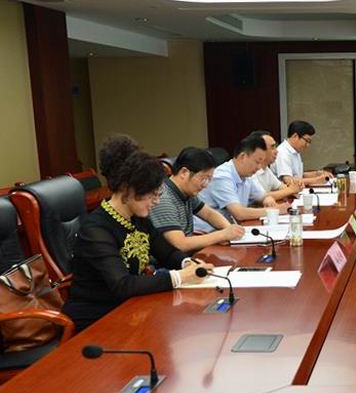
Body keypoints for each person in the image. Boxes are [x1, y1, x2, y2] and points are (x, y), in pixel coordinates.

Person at [62, 136, 212, 331]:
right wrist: (180, 277)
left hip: (132, 307)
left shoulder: (137, 217)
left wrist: (188, 263)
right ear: (128, 190)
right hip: (97, 319)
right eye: (152, 194)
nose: (156, 201)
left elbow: (166, 252)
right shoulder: (96, 230)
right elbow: (122, 284)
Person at [150, 146, 245, 253]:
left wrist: (230, 230)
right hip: (174, 259)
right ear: (184, 172)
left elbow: (209, 214)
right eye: (203, 178)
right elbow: (180, 244)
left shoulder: (186, 192)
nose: (205, 185)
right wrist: (222, 235)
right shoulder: (163, 198)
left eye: (209, 179)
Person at [195, 133, 287, 231]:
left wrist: (267, 199)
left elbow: (262, 196)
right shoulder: (222, 177)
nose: (259, 167)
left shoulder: (246, 175)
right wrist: (274, 210)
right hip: (208, 233)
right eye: (257, 162)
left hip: (231, 229)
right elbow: (239, 213)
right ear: (243, 156)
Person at [272, 120, 333, 186]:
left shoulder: (295, 151)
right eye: (307, 140)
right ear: (295, 136)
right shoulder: (283, 152)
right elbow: (289, 180)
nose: (308, 145)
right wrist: (316, 180)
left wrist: (318, 173)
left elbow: (299, 175)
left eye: (309, 142)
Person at [248, 130, 303, 201]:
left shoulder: (266, 169)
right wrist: (291, 190)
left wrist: (295, 186)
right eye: (272, 147)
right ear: (258, 150)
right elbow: (262, 197)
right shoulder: (249, 171)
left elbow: (280, 187)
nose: (276, 151)